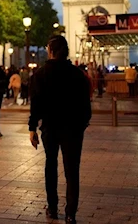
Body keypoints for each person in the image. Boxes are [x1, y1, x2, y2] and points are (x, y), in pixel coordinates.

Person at [28, 35, 92, 224]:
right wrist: (82, 124)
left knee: (51, 166)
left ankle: (53, 208)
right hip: (73, 129)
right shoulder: (78, 74)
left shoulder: (40, 74)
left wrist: (32, 128)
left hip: (50, 127)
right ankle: (71, 213)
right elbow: (86, 104)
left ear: (50, 50)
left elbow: (35, 105)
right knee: (72, 171)